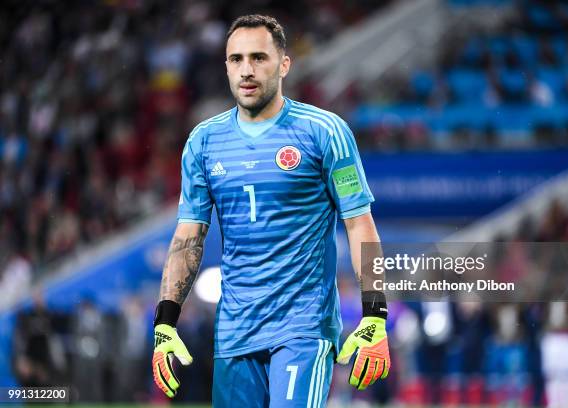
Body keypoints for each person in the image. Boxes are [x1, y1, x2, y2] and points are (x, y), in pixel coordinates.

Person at [151, 14, 391, 407]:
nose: (246, 70)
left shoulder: (324, 132)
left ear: (284, 64)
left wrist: (375, 314)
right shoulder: (204, 142)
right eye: (236, 59)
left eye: (259, 58)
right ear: (226, 66)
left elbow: (360, 224)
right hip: (234, 333)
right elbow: (188, 237)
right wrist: (165, 322)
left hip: (303, 329)